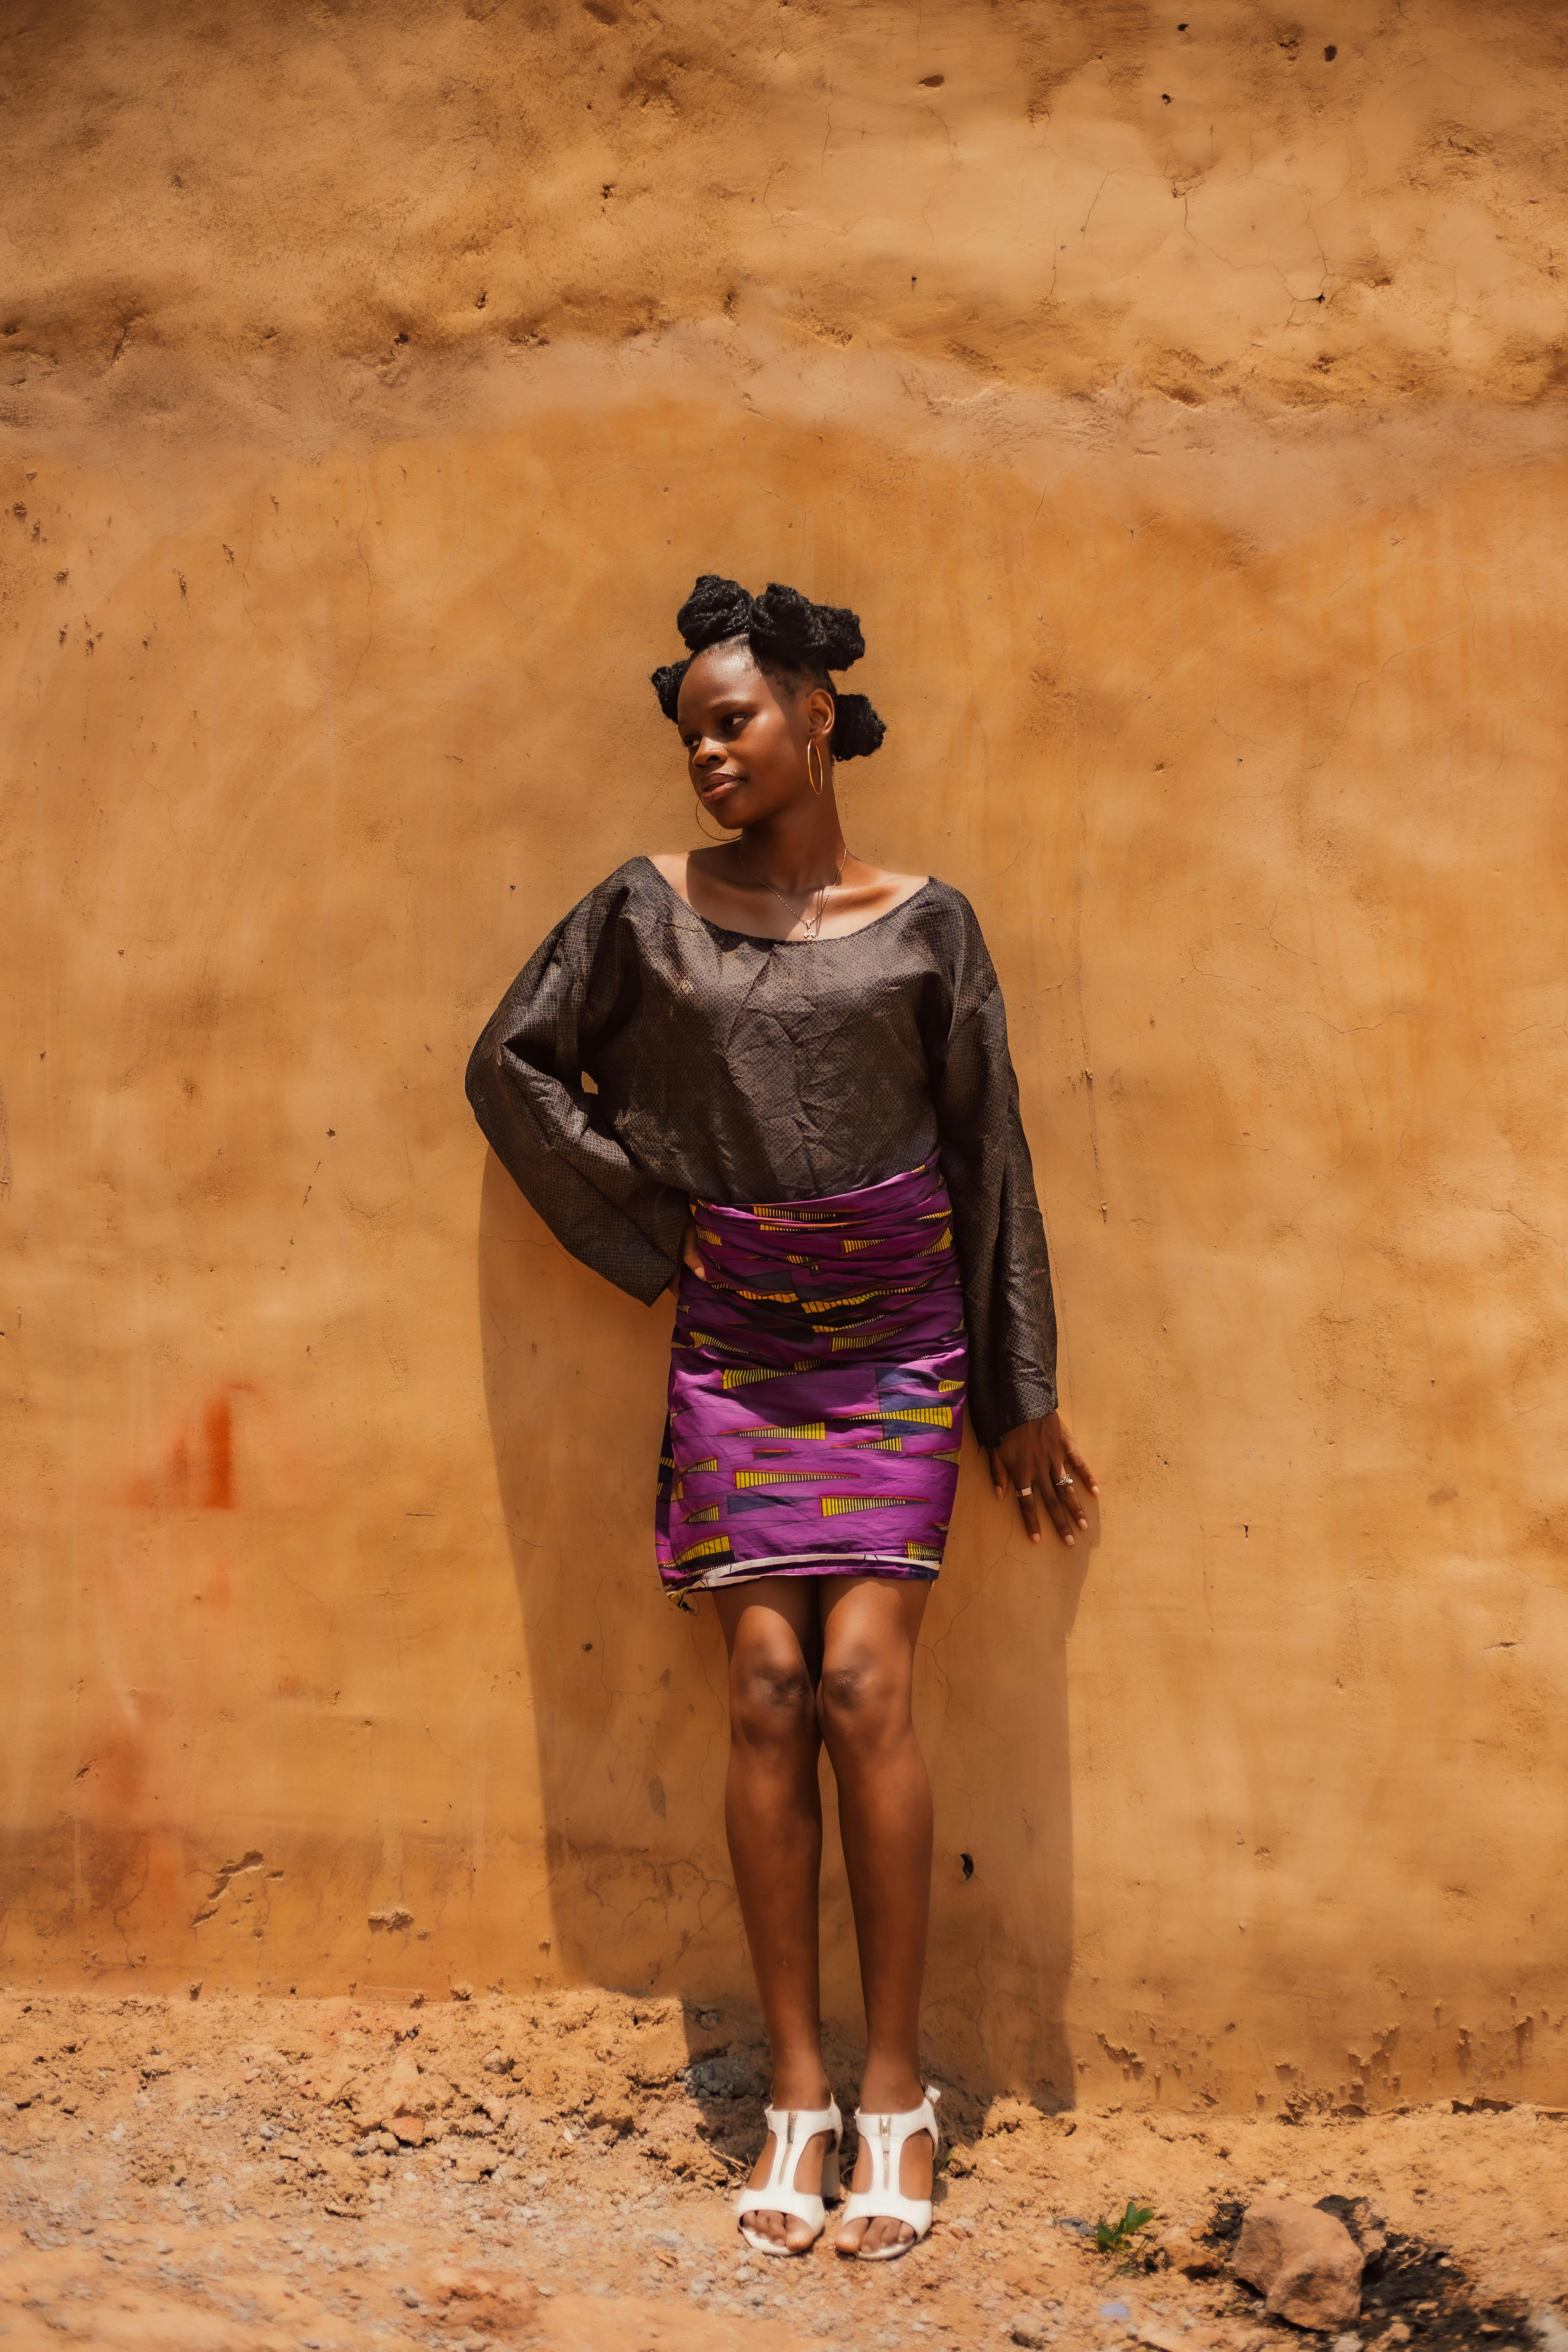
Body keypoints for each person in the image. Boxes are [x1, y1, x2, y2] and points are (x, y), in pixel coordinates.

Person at [466, 575, 1096, 2261]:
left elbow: (990, 1148)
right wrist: (656, 1225)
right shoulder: (644, 912)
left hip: (896, 1343)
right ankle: (796, 2097)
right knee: (764, 1689)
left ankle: (896, 2095)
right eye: (692, 736)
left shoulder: (930, 926)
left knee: (864, 1683)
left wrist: (1020, 1386)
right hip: (741, 1343)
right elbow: (510, 1063)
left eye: (732, 721)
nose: (708, 756)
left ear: (817, 717)